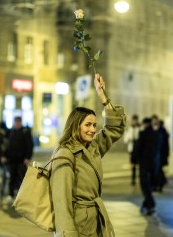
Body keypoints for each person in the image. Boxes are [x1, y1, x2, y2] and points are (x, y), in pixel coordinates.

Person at [50, 73, 126, 236]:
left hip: (95, 222)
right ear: (75, 126)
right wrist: (68, 233)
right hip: (79, 226)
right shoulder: (65, 154)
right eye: (88, 125)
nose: (93, 129)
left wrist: (103, 97)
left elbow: (114, 128)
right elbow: (61, 201)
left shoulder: (92, 148)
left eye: (94, 125)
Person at [135, 115, 165, 215]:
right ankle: (147, 204)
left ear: (145, 124)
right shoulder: (158, 135)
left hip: (144, 163)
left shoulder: (143, 134)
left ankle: (150, 204)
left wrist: (134, 160)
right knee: (150, 185)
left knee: (144, 184)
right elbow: (161, 149)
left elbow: (138, 148)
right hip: (155, 164)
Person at [1, 116, 34, 201]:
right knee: (12, 177)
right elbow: (7, 146)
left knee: (22, 178)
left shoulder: (25, 132)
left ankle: (22, 195)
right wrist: (4, 156)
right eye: (15, 122)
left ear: (20, 122)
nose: (16, 123)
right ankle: (11, 194)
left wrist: (27, 157)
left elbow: (29, 145)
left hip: (21, 159)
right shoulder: (11, 132)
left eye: (17, 122)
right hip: (12, 159)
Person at [123, 114, 140, 185]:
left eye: (135, 120)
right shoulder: (129, 129)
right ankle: (133, 179)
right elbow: (125, 140)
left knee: (140, 165)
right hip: (132, 149)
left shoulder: (140, 128)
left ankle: (141, 179)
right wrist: (129, 139)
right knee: (133, 165)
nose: (134, 122)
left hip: (139, 149)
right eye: (133, 120)